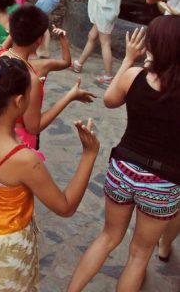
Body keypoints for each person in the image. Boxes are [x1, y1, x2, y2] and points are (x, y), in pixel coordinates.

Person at [0, 56, 100, 291]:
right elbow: (65, 206)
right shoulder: (24, 160)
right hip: (7, 250)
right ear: (20, 101)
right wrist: (89, 155)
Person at [68, 18, 180, 291]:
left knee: (107, 237)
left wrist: (128, 59)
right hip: (163, 181)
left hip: (123, 169)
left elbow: (109, 100)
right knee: (139, 255)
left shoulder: (134, 76)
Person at [0, 6, 95, 150]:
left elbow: (66, 62)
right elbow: (33, 127)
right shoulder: (31, 77)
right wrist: (69, 96)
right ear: (39, 40)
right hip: (17, 140)